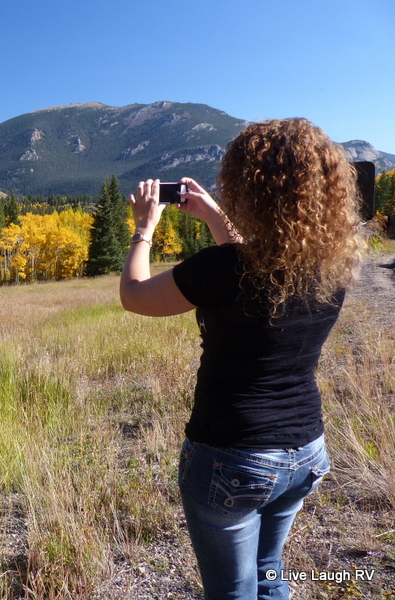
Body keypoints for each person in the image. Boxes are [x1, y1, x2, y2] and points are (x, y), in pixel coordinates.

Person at [119, 118, 363, 600]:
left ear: (248, 187)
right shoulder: (333, 266)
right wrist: (212, 217)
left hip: (232, 457)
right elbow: (256, 266)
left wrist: (144, 229)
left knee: (232, 592)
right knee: (269, 571)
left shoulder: (221, 270)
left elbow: (135, 295)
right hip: (306, 451)